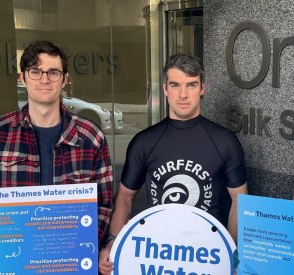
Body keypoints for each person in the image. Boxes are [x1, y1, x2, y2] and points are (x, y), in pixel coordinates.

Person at [98, 54, 248, 274]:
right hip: (158, 254)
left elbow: (239, 201)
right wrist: (113, 241)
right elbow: (125, 197)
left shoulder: (225, 142)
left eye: (191, 85)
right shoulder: (145, 142)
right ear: (166, 89)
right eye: (175, 85)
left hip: (208, 255)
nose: (183, 94)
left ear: (202, 88)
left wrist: (232, 253)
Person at [0, 40, 113, 245]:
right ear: (22, 78)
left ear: (64, 80)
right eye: (36, 72)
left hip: (70, 261)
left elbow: (104, 207)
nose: (44, 80)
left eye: (53, 72)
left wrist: (81, 249)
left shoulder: (91, 137)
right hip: (14, 260)